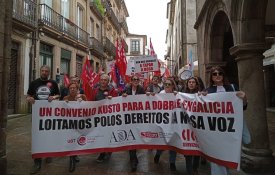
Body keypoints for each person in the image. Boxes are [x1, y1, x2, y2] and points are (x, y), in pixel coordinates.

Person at [203, 66, 248, 175]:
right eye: (214, 74)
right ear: (212, 77)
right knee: (216, 155)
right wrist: (201, 98)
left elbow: (242, 107)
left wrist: (244, 98)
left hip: (229, 128)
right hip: (215, 129)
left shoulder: (232, 88)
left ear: (223, 75)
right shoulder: (208, 91)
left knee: (227, 154)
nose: (217, 75)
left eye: (220, 73)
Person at [26, 65, 60, 174]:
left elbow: (58, 95)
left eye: (46, 71)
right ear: (40, 71)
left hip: (50, 115)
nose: (44, 72)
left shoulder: (53, 83)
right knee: (37, 136)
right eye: (42, 71)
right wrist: (29, 98)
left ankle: (48, 153)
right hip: (37, 115)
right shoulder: (34, 83)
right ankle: (37, 161)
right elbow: (28, 95)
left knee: (49, 134)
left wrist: (53, 97)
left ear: (49, 72)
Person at [90, 74, 118, 163]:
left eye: (105, 80)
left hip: (109, 118)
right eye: (101, 79)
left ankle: (106, 152)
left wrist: (112, 99)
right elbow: (91, 102)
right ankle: (103, 152)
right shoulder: (95, 91)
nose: (103, 81)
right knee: (100, 135)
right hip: (98, 118)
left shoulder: (112, 91)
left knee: (108, 134)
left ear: (108, 81)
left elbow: (117, 103)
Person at [153, 77, 178, 171]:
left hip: (173, 122)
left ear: (173, 86)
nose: (167, 86)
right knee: (162, 140)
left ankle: (172, 162)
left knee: (173, 142)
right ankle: (158, 154)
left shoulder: (177, 94)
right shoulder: (161, 94)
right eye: (165, 84)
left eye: (169, 84)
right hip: (163, 122)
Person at [122, 75, 145, 172]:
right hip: (128, 117)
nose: (135, 81)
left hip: (138, 118)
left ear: (139, 81)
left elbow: (145, 101)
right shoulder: (126, 89)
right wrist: (123, 96)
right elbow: (119, 99)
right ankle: (133, 160)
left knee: (135, 137)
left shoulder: (142, 89)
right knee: (130, 137)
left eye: (137, 79)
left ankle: (134, 158)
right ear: (131, 81)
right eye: (134, 79)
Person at [63, 82, 87, 172]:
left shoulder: (83, 96)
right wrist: (64, 104)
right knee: (71, 141)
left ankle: (75, 154)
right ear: (68, 90)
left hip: (80, 124)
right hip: (70, 124)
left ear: (77, 89)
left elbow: (89, 108)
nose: (72, 89)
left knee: (77, 140)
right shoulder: (66, 98)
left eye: (74, 88)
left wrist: (82, 101)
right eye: (70, 88)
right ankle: (72, 160)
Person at [183, 77, 202, 175]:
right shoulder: (182, 94)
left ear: (196, 84)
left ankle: (195, 168)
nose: (191, 84)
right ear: (187, 84)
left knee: (197, 148)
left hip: (197, 126)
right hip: (186, 126)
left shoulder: (200, 95)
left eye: (193, 82)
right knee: (187, 150)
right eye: (189, 82)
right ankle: (190, 170)